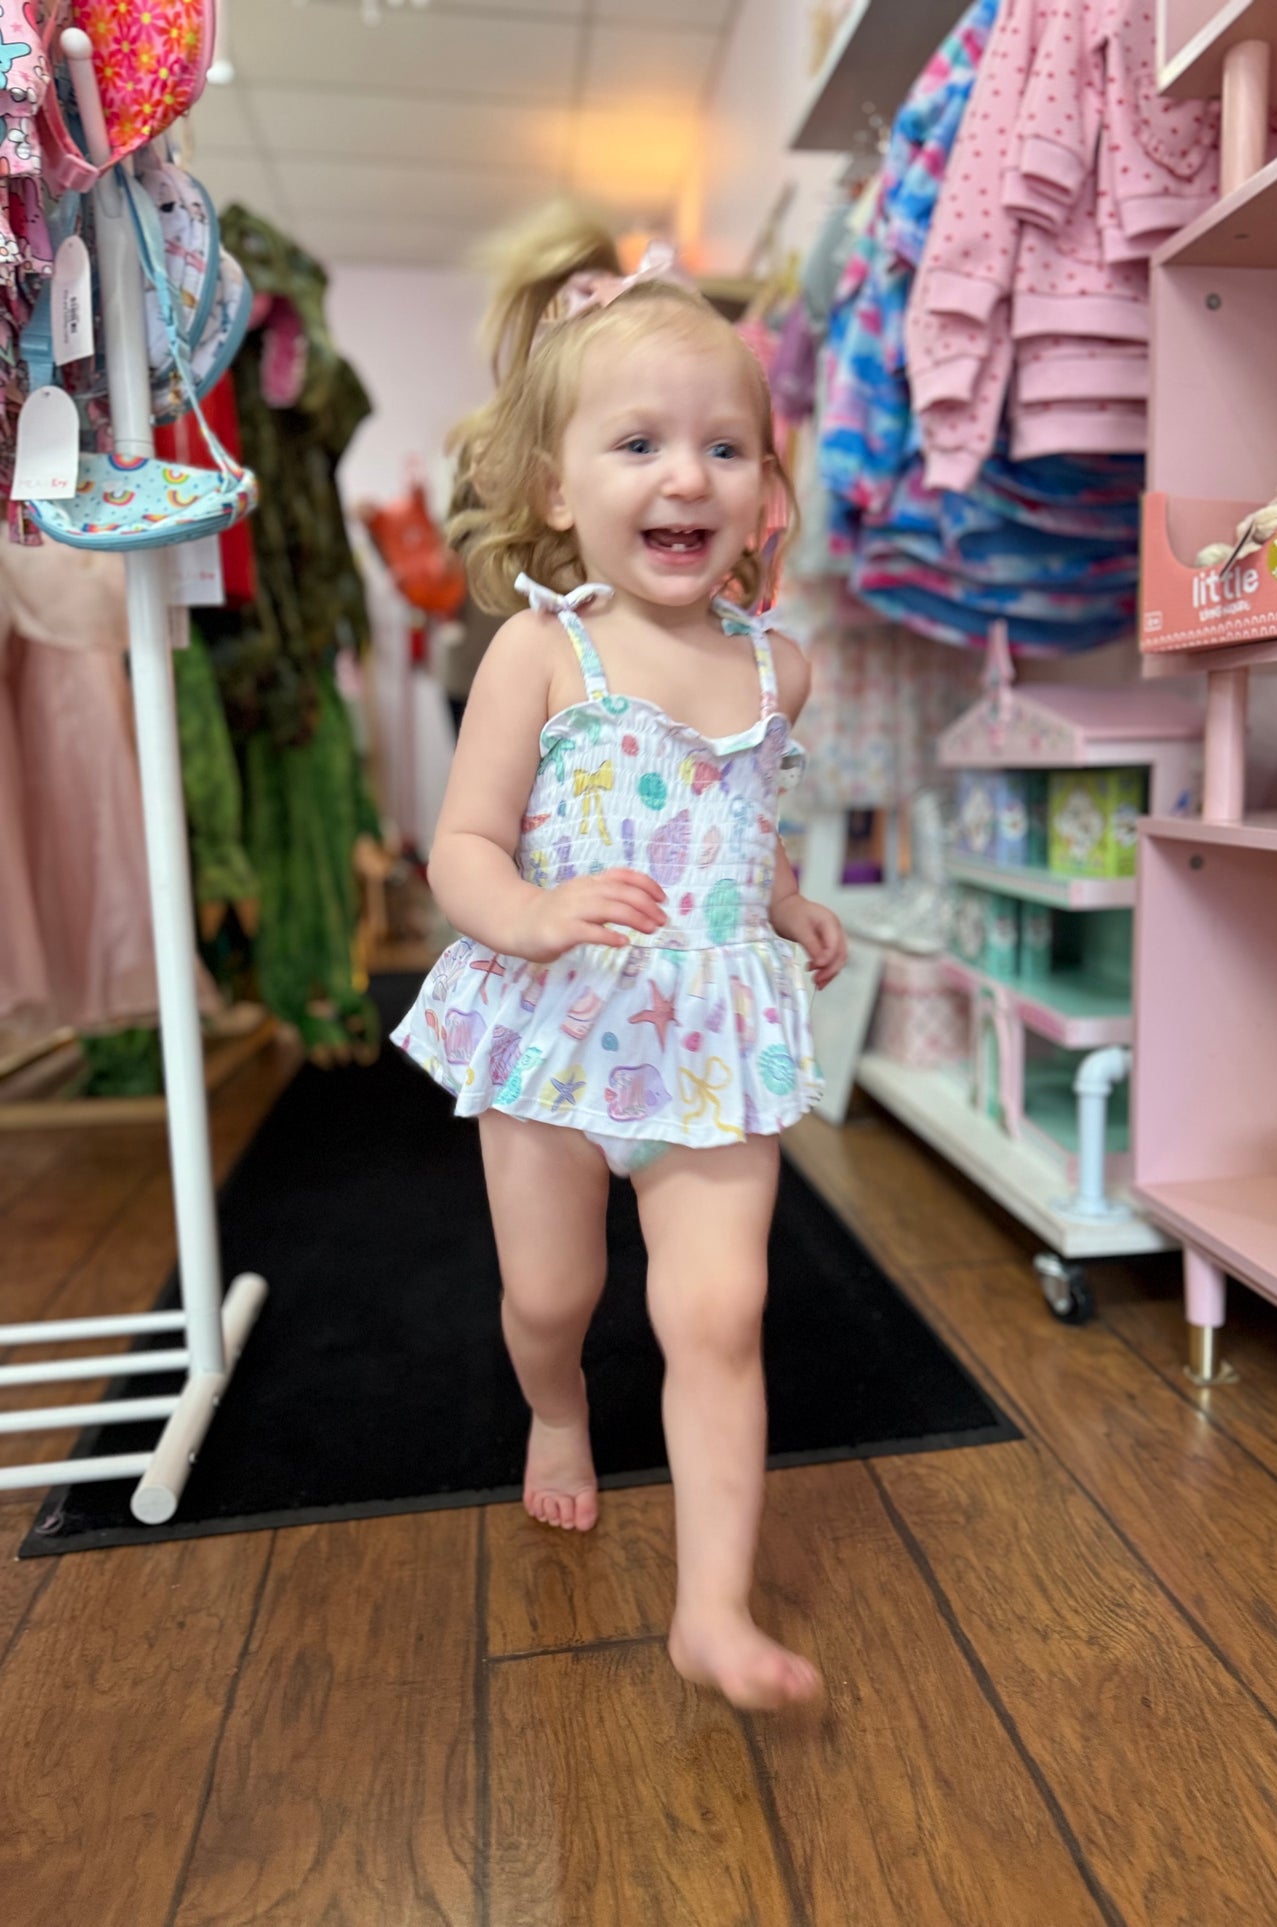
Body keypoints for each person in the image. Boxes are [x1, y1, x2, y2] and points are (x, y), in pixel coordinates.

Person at [393, 204, 847, 1709]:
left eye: (724, 449)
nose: (684, 477)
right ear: (555, 486)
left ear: (766, 496)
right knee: (550, 1298)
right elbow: (461, 844)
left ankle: (709, 1609)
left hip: (710, 1037)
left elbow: (735, 812)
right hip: (556, 1029)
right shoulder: (542, 650)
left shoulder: (778, 668)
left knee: (718, 1312)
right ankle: (556, 1409)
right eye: (638, 445)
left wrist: (777, 901)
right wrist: (522, 913)